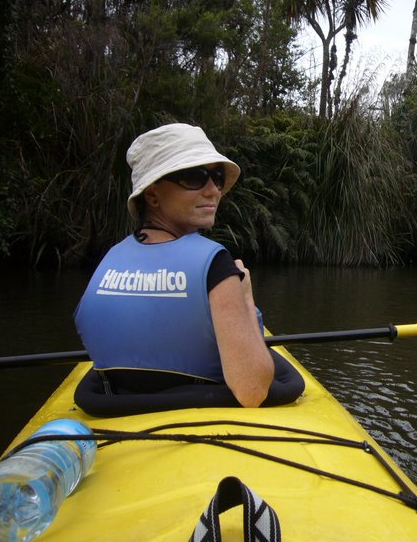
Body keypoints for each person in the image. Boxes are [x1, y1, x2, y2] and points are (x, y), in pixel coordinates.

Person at [73, 123, 303, 414]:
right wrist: (245, 298)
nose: (213, 191)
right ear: (153, 195)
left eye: (217, 178)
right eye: (194, 177)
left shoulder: (108, 260)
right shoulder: (215, 266)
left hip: (112, 408)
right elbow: (252, 391)